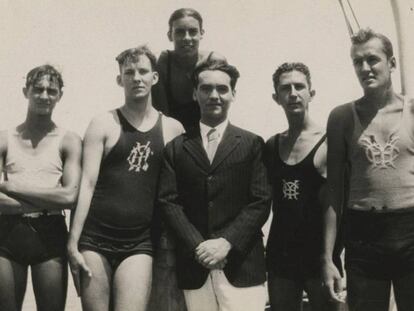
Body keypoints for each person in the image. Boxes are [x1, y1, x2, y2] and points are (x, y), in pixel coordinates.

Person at [67, 45, 183, 311]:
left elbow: (176, 193)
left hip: (139, 242)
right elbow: (87, 184)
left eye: (143, 71)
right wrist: (72, 243)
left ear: (155, 77)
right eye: (129, 72)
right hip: (94, 239)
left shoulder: (173, 129)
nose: (136, 78)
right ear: (120, 79)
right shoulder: (103, 123)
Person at [157, 60, 271, 311]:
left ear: (233, 94)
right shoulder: (176, 148)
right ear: (194, 94)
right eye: (206, 89)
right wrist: (199, 247)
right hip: (195, 267)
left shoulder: (252, 144)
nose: (214, 95)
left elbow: (260, 201)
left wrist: (226, 243)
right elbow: (168, 202)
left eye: (222, 89)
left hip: (242, 267)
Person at [322, 28, 414, 311]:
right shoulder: (341, 118)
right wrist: (327, 258)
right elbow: (334, 190)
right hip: (363, 235)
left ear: (392, 64)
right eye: (357, 62)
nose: (365, 68)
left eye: (372, 59)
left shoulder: (411, 111)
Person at [0, 65, 82, 311]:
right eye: (38, 89)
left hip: (50, 234)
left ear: (60, 96)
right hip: (7, 234)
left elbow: (69, 196)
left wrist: (11, 186)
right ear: (26, 91)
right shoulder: (5, 139)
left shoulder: (68, 140)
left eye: (51, 90)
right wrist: (49, 198)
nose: (44, 96)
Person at [265, 62, 341, 311]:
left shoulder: (328, 141)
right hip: (281, 256)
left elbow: (333, 204)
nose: (293, 93)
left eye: (300, 86)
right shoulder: (271, 145)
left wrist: (329, 258)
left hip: (318, 255)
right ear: (276, 97)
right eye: (286, 88)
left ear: (311, 93)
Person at [153, 7, 226, 131]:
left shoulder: (214, 61)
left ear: (201, 34)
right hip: (172, 135)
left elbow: (220, 109)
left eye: (192, 31)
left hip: (208, 133)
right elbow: (162, 116)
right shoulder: (162, 63)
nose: (187, 38)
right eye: (180, 32)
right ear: (170, 35)